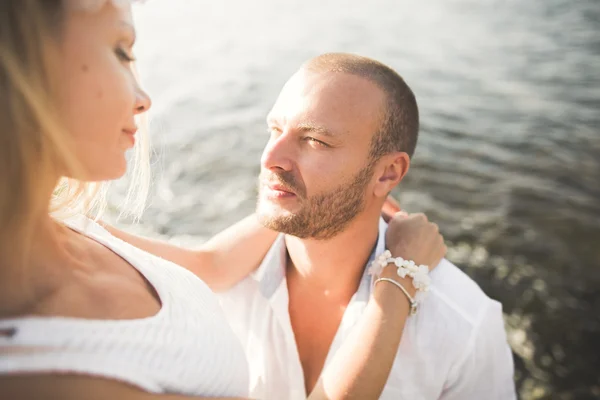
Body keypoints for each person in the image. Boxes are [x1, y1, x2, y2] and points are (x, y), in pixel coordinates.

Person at [0, 1, 446, 399]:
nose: (143, 98)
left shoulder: (65, 227)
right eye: (121, 51)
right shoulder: (49, 375)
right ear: (23, 65)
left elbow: (209, 265)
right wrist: (398, 281)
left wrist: (334, 189)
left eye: (315, 140)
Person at [110, 53, 518, 399]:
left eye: (316, 141)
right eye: (275, 130)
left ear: (387, 174)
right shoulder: (211, 284)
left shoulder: (462, 326)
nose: (271, 157)